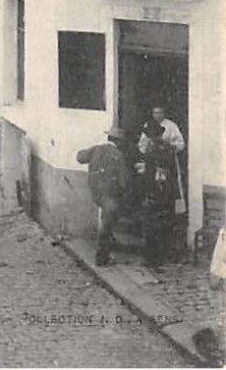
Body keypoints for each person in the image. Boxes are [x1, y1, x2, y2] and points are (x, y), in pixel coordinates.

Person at [136, 107, 184, 267]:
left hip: (158, 190)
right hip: (164, 189)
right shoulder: (159, 148)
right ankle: (163, 254)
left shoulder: (159, 149)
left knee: (154, 223)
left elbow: (157, 171)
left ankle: (154, 257)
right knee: (164, 222)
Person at [76, 126, 130, 266]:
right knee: (107, 225)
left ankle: (106, 251)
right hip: (110, 194)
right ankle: (102, 258)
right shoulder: (118, 155)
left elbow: (80, 157)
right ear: (119, 142)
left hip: (96, 192)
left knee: (107, 222)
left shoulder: (97, 149)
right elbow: (124, 180)